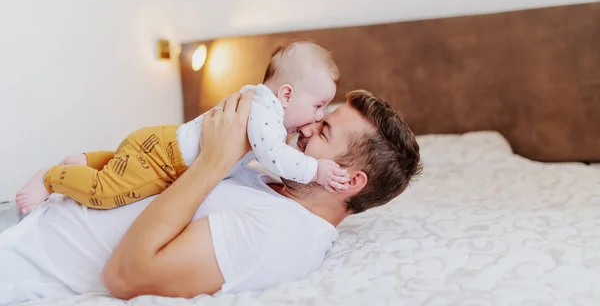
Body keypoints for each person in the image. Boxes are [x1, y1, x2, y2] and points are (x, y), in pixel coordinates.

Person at [0, 89, 422, 305]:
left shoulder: (285, 234)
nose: (305, 127)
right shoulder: (268, 177)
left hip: (19, 261)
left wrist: (213, 162)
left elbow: (126, 276)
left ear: (348, 182)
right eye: (317, 117)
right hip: (25, 216)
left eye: (323, 132)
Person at [15, 42, 349, 214]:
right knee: (107, 192)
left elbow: (275, 147)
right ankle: (52, 177)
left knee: (122, 163)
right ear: (287, 94)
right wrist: (316, 169)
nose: (319, 116)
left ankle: (87, 161)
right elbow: (275, 156)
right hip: (166, 159)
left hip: (162, 142)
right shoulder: (263, 111)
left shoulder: (264, 106)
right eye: (319, 105)